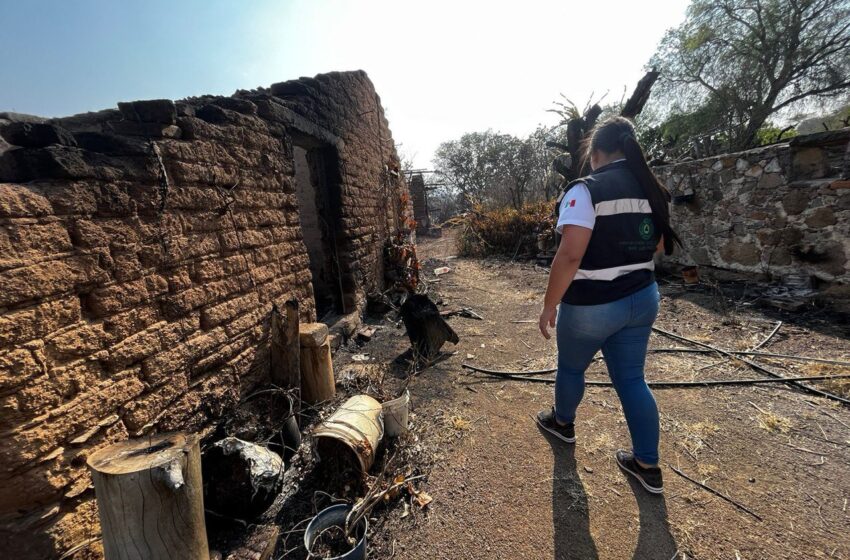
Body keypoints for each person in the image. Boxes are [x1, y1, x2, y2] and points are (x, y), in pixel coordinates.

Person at [535, 116, 681, 494]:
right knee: (632, 379)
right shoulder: (651, 187)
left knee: (570, 368)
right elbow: (659, 247)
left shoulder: (586, 190)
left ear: (596, 152)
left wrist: (549, 305)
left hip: (591, 307)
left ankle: (562, 424)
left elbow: (569, 257)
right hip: (642, 299)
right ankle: (647, 465)